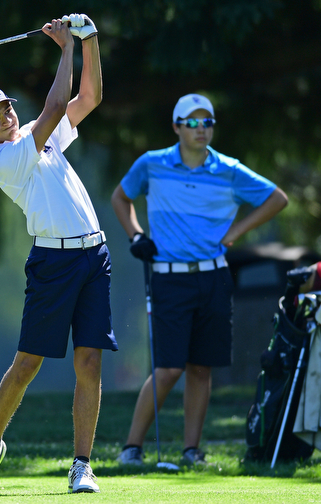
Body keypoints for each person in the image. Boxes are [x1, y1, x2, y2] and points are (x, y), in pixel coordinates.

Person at [0, 14, 117, 495]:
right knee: (27, 364)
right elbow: (55, 105)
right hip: (53, 265)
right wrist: (65, 47)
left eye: (6, 109)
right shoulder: (4, 159)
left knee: (89, 362)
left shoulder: (38, 132)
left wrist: (90, 41)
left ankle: (81, 465)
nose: (6, 117)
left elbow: (87, 99)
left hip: (94, 256)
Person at [111, 93, 288, 466]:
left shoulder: (229, 169)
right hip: (168, 278)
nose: (201, 129)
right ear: (177, 127)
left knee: (201, 367)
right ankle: (132, 447)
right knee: (168, 368)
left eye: (207, 122)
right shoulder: (152, 164)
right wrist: (136, 235)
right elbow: (120, 198)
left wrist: (237, 230)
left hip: (214, 278)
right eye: (192, 122)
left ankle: (192, 451)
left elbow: (277, 198)